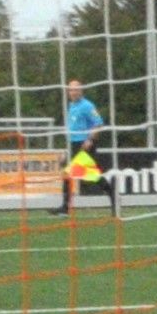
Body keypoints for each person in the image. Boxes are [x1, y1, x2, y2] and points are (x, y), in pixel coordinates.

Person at [51, 79, 119, 217]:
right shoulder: (71, 106)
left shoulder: (87, 106)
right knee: (68, 173)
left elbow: (99, 124)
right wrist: (66, 150)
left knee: (90, 176)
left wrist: (90, 139)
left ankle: (113, 196)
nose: (73, 92)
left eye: (76, 89)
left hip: (85, 144)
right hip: (73, 144)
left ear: (81, 91)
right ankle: (65, 207)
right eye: (70, 90)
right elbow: (72, 130)